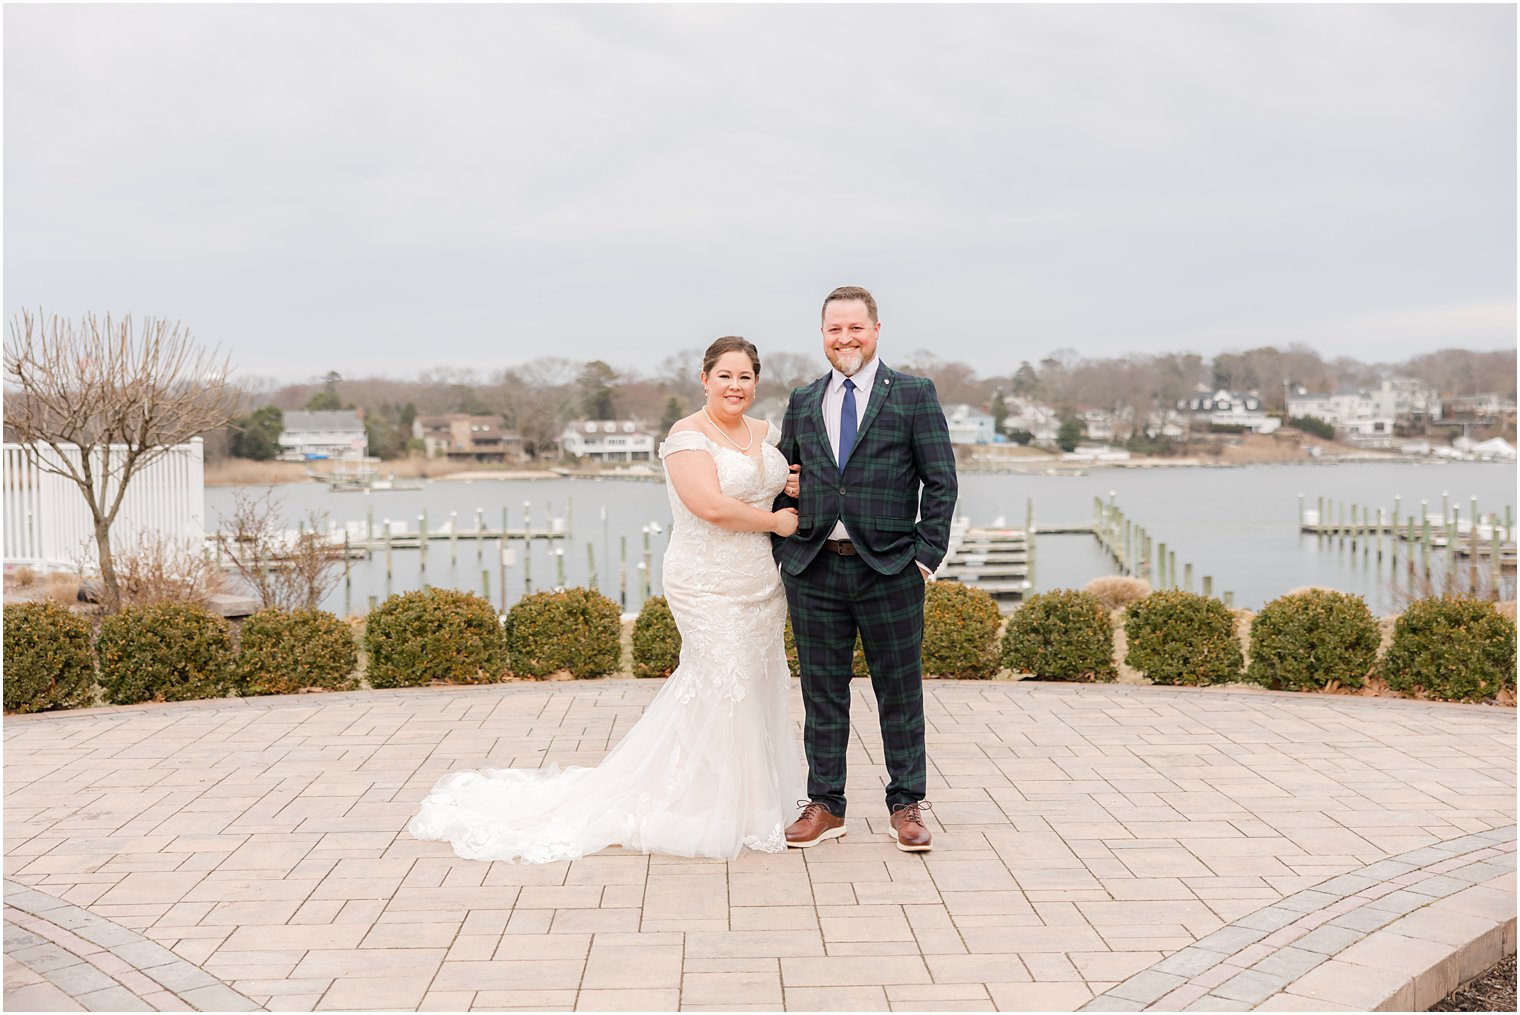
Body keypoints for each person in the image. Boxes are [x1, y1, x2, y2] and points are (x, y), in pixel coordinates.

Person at [408, 336, 805, 862]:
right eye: (725, 376)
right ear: (704, 379)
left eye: (745, 377)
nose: (736, 386)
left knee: (755, 681)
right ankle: (705, 804)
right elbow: (708, 506)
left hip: (759, 578)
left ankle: (758, 801)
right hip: (704, 576)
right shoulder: (686, 436)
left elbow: (777, 479)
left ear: (757, 382)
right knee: (720, 680)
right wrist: (777, 519)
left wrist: (792, 488)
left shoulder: (767, 433)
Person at [773, 286, 958, 853]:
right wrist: (787, 548)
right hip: (815, 570)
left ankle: (907, 804)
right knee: (821, 692)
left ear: (875, 329)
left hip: (891, 569)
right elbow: (783, 479)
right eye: (834, 330)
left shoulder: (912, 394)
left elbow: (942, 482)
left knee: (899, 692)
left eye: (855, 328)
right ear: (822, 335)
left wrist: (924, 559)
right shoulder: (804, 400)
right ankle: (826, 804)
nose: (845, 339)